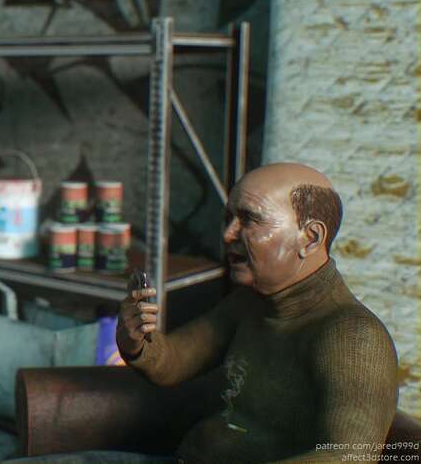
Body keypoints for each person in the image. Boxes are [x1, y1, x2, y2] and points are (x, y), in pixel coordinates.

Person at [117, 162, 398, 463]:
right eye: (229, 219)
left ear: (310, 238)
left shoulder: (354, 337)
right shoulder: (250, 302)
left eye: (249, 220)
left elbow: (351, 457)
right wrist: (136, 340)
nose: (228, 234)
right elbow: (172, 361)